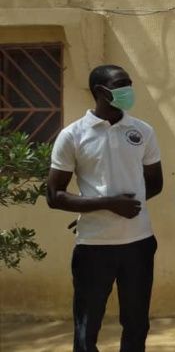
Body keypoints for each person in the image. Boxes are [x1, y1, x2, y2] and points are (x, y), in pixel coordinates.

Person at [46, 65, 163, 352]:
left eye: (129, 84)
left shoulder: (142, 131)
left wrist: (127, 206)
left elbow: (155, 183)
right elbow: (54, 194)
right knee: (87, 326)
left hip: (138, 243)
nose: (129, 90)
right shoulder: (73, 135)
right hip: (93, 246)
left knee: (136, 324)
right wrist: (107, 205)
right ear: (100, 91)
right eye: (121, 84)